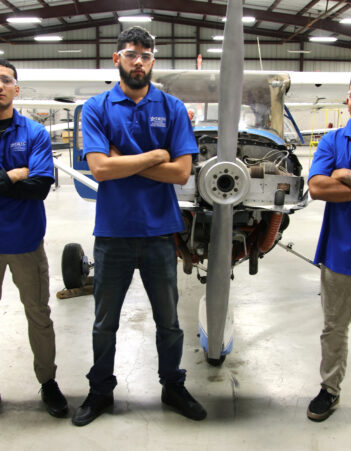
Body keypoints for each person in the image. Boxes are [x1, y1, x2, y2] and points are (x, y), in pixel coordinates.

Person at [72, 27, 206, 426]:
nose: (139, 62)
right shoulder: (96, 108)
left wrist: (124, 160)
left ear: (153, 61)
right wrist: (155, 155)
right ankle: (100, 391)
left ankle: (172, 386)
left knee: (169, 322)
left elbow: (182, 173)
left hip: (160, 234)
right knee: (104, 323)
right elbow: (99, 169)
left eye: (146, 56)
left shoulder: (173, 107)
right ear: (117, 59)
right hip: (112, 234)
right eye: (131, 54)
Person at [0, 59, 67, 417]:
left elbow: (40, 187)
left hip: (25, 240)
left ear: (16, 88)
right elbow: (25, 182)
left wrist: (15, 179)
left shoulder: (34, 133)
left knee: (39, 315)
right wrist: (15, 175)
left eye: (5, 80)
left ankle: (48, 382)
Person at [307, 69, 351, 434]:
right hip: (338, 255)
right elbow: (316, 187)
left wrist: (342, 174)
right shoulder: (332, 140)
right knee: (334, 329)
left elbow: (330, 182)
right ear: (348, 100)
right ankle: (329, 390)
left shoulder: (335, 152)